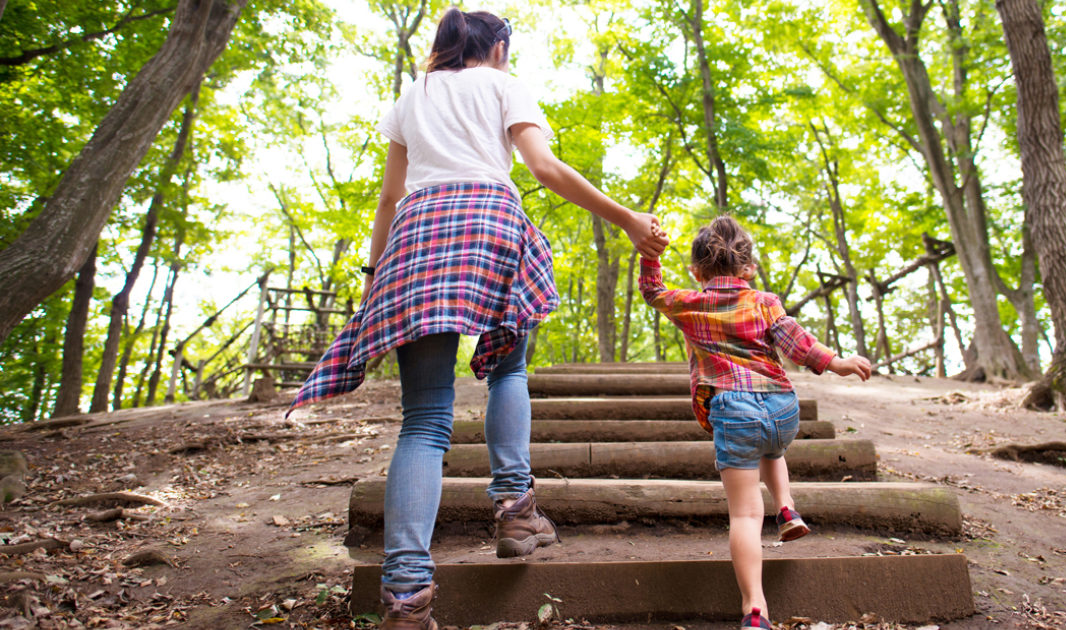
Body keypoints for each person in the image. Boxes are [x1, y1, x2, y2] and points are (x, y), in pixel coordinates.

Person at [287, 8, 668, 630]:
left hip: (414, 237)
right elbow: (544, 168)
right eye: (508, 49)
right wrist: (627, 217)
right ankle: (516, 511)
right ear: (496, 48)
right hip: (489, 222)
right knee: (508, 372)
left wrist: (374, 276)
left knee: (425, 419)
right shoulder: (501, 85)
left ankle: (407, 596)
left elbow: (390, 196)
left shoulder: (413, 95)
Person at [638, 215, 870, 630]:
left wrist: (650, 253)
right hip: (782, 407)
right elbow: (795, 341)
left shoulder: (691, 303)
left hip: (733, 409)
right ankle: (786, 508)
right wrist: (837, 363)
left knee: (745, 516)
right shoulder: (765, 302)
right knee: (773, 447)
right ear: (748, 268)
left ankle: (755, 608)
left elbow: (653, 291)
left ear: (696, 271)